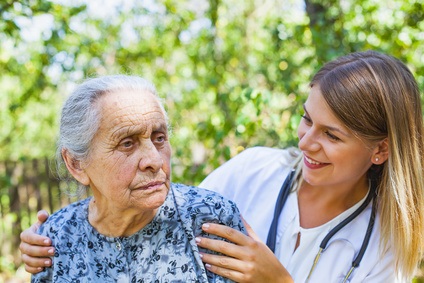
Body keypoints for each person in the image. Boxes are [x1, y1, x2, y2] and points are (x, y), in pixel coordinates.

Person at [20, 51, 424, 282]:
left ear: (380, 151)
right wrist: (59, 231)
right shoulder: (253, 171)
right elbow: (165, 209)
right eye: (306, 119)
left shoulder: (390, 243)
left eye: (332, 136)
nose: (305, 142)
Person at [26, 74, 246, 282]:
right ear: (76, 164)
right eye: (127, 144)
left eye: (159, 138)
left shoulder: (210, 218)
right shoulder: (54, 239)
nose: (154, 160)